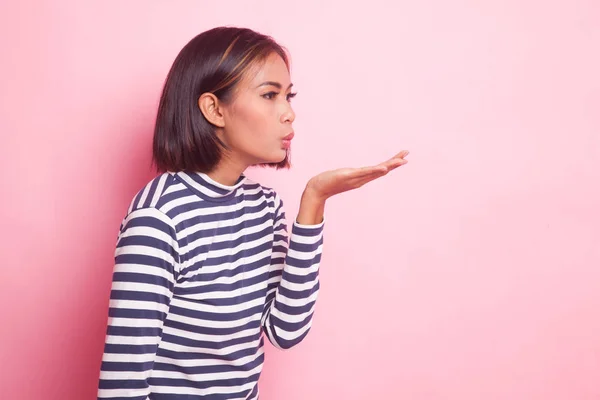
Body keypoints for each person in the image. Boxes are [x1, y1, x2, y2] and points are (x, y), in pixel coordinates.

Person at [97, 26, 408, 400]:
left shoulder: (265, 206)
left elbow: (284, 331)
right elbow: (121, 383)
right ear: (214, 109)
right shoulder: (159, 218)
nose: (289, 113)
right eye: (270, 95)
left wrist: (314, 202)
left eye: (288, 96)